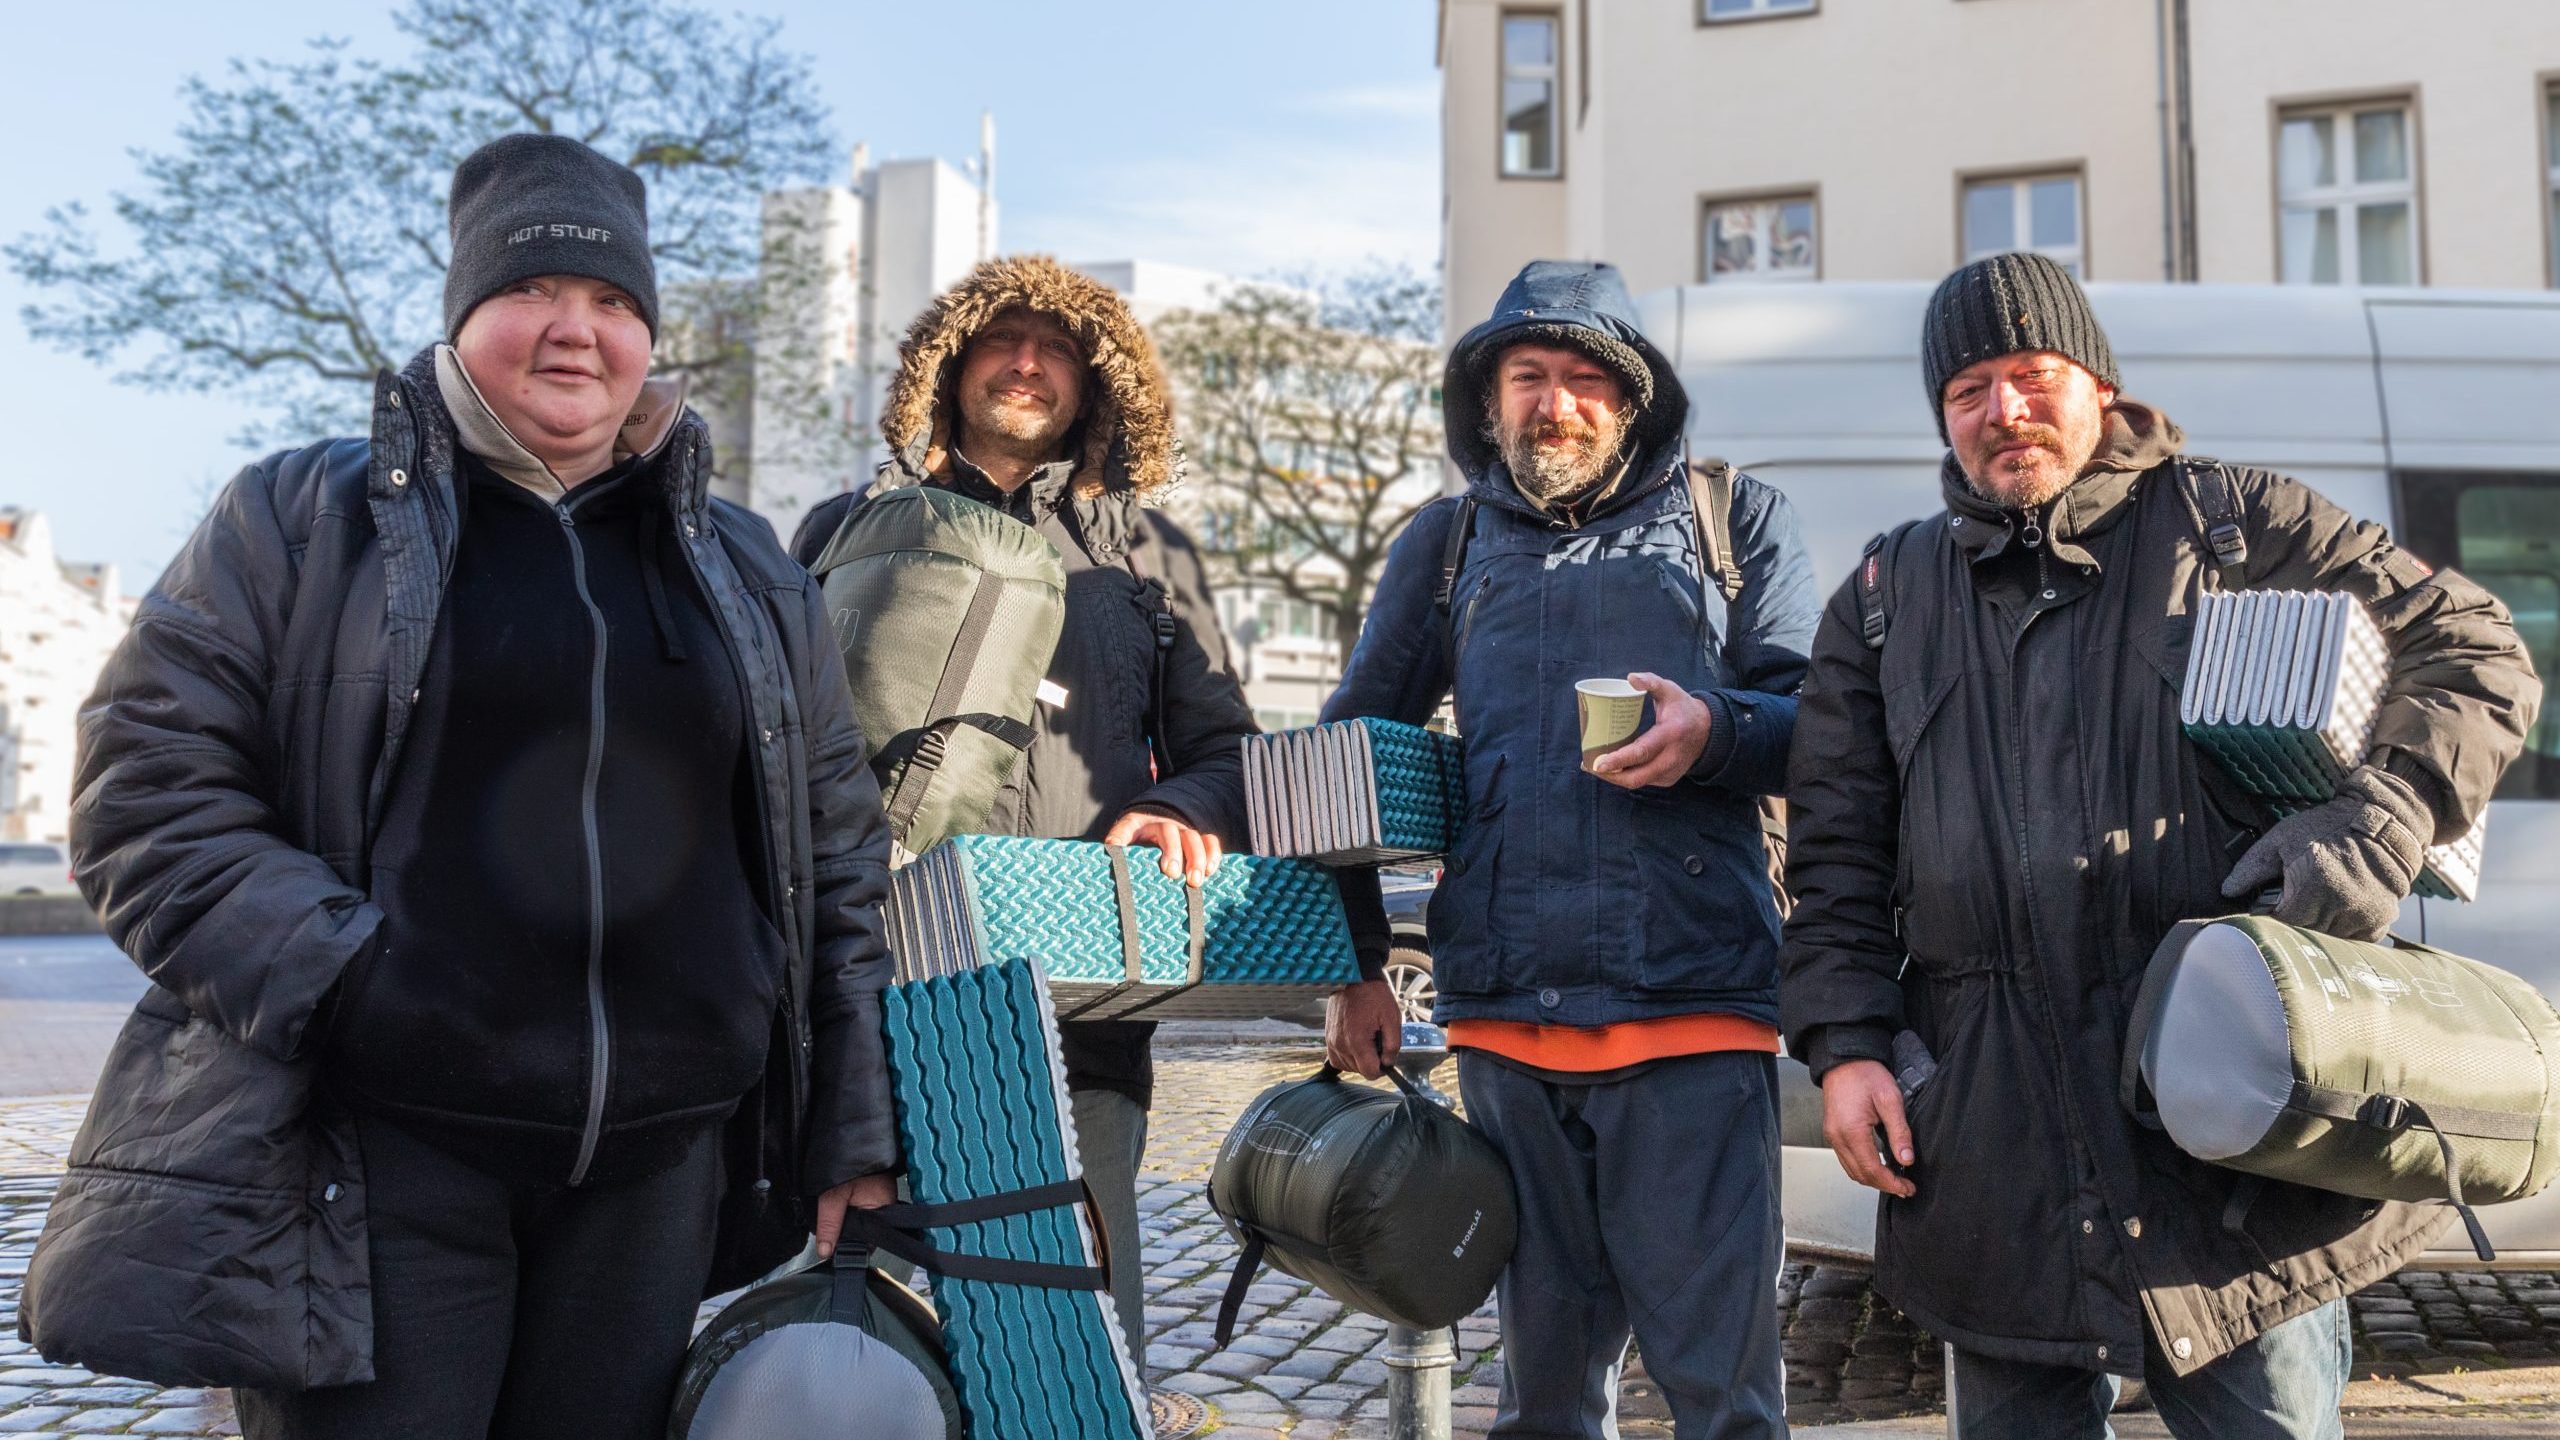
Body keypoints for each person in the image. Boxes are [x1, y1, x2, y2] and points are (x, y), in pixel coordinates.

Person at [59, 134, 900, 1439]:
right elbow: (146, 798)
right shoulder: (298, 518)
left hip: (659, 1178)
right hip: (380, 1161)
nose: (578, 331)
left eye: (615, 302)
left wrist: (851, 1120)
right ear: (464, 316)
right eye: (536, 291)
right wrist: (358, 986)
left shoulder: (746, 568)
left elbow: (840, 859)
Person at [1781, 251, 2541, 1439]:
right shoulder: (1883, 598)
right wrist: (1843, 1045)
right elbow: (1829, 853)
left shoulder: (2235, 522)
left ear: (2096, 382)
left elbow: (2476, 648)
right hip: (1992, 1152)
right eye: (1968, 389)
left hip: (2230, 1135)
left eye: (2030, 374)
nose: (2003, 411)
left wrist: (2377, 821)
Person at [1321, 259, 1816, 1437]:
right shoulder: (1443, 544)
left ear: (1635, 399)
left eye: (1587, 377)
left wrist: (1714, 731)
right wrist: (1349, 965)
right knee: (1540, 1403)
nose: (1557, 403)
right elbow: (1343, 762)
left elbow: (1819, 727)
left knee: (1723, 1400)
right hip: (1504, 1025)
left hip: (1693, 1007)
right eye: (1528, 376)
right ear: (1486, 401)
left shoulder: (1734, 516)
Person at [789, 254, 1256, 1365]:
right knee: (866, 1345)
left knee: (1076, 1341)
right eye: (1001, 338)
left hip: (1079, 1009)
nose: (1028, 363)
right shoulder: (842, 529)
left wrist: (1180, 805)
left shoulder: (1150, 554)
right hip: (879, 998)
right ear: (947, 366)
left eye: (1057, 347)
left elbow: (1225, 745)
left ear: (1098, 387)